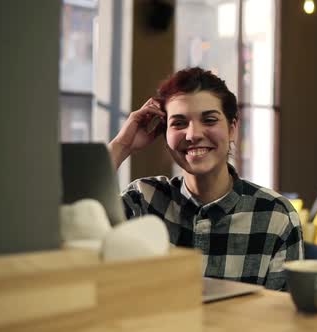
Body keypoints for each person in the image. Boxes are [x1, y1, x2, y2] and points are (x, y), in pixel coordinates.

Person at [108, 67, 303, 290]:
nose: (193, 135)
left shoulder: (276, 216)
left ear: (232, 129)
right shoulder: (143, 200)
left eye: (209, 120)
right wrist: (120, 146)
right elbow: (69, 228)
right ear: (165, 134)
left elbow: (284, 318)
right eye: (179, 123)